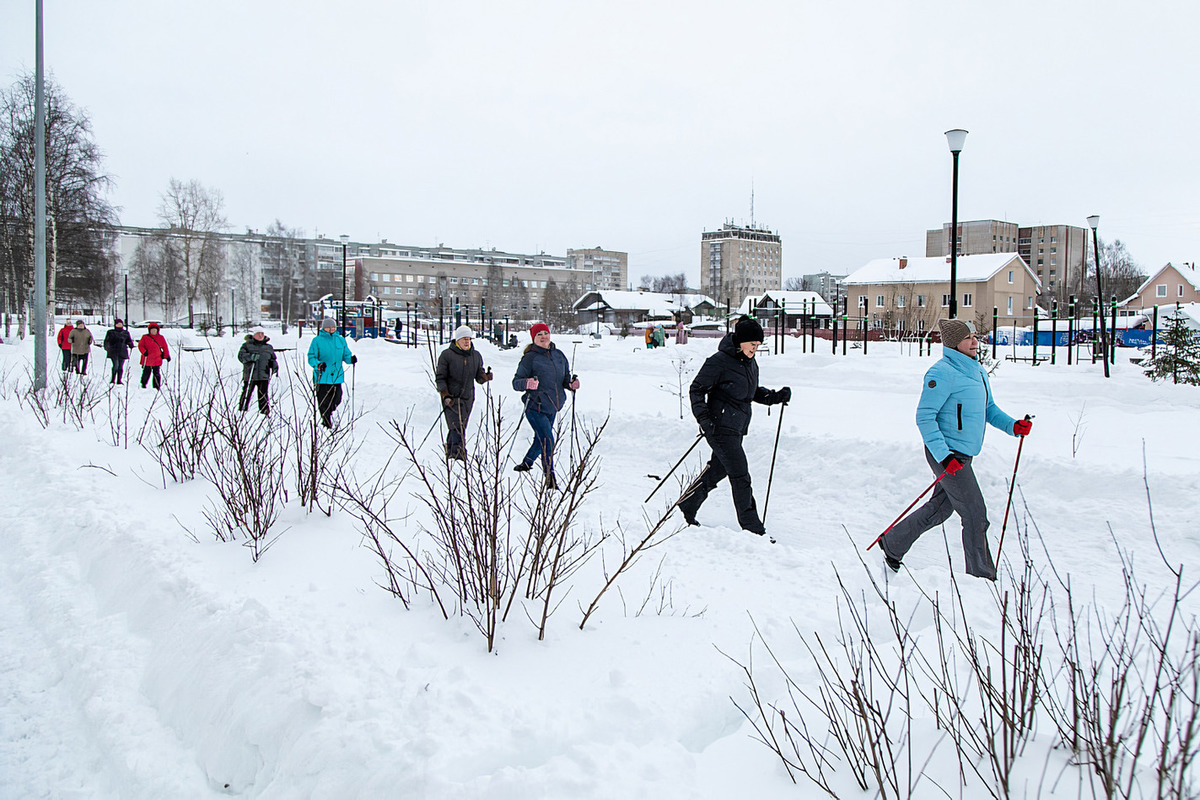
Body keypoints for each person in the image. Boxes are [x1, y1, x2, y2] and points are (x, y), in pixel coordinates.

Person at [878, 319, 1033, 581]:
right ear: (953, 343)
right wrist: (945, 456)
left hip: (962, 455)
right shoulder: (942, 373)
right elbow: (925, 417)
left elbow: (989, 410)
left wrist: (1013, 426)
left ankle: (893, 543)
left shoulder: (977, 371)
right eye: (968, 338)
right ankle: (981, 578)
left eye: (974, 336)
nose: (974, 342)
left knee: (940, 509)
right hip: (947, 454)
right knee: (975, 515)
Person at [678, 315, 791, 539]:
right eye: (751, 344)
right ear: (740, 341)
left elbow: (750, 392)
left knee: (717, 470)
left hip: (736, 428)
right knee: (741, 475)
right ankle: (753, 529)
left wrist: (774, 397)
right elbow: (696, 389)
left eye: (758, 346)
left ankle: (687, 505)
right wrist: (704, 419)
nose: (754, 349)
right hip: (719, 428)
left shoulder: (749, 363)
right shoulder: (719, 361)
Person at [511, 322, 579, 489]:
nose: (543, 337)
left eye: (545, 333)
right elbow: (516, 383)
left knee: (540, 439)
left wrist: (571, 384)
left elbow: (565, 379)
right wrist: (527, 383)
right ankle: (550, 479)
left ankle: (526, 463)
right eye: (538, 334)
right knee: (548, 440)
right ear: (533, 338)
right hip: (535, 406)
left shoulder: (559, 355)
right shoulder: (530, 358)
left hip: (553, 405)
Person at [435, 324, 493, 460]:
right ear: (457, 340)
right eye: (464, 339)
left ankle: (450, 449)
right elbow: (440, 377)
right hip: (451, 398)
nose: (467, 341)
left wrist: (485, 377)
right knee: (457, 426)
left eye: (469, 339)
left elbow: (479, 376)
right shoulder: (447, 355)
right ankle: (458, 455)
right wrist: (444, 394)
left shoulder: (476, 356)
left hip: (468, 397)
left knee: (460, 426)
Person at [307, 316, 356, 428]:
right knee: (323, 400)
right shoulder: (317, 341)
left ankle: (328, 412)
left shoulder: (340, 340)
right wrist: (318, 364)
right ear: (324, 328)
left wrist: (351, 360)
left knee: (337, 398)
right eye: (329, 327)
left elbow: (346, 355)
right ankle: (326, 419)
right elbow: (311, 357)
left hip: (336, 376)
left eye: (333, 327)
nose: (331, 329)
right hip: (322, 376)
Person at [237, 326, 279, 415]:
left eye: (262, 334)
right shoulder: (247, 346)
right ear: (253, 335)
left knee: (263, 394)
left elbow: (272, 358)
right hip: (250, 374)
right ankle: (242, 409)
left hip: (263, 374)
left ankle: (264, 411)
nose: (260, 336)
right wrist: (250, 357)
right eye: (258, 334)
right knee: (246, 392)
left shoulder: (268, 347)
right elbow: (241, 357)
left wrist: (274, 365)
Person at [137, 322, 171, 389]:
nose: (153, 331)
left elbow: (165, 347)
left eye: (155, 330)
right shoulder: (145, 337)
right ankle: (143, 384)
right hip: (148, 358)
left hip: (157, 358)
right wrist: (144, 352)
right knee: (146, 373)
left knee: (156, 373)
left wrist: (166, 356)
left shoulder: (161, 337)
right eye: (152, 330)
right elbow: (140, 346)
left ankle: (156, 386)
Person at [102, 318, 135, 384]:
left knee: (120, 366)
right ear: (115, 325)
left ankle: (119, 380)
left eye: (121, 324)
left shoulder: (125, 332)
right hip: (113, 351)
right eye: (118, 324)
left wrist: (131, 344)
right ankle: (113, 379)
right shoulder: (111, 332)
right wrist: (107, 347)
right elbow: (107, 341)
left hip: (122, 351)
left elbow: (128, 340)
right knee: (115, 365)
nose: (119, 325)